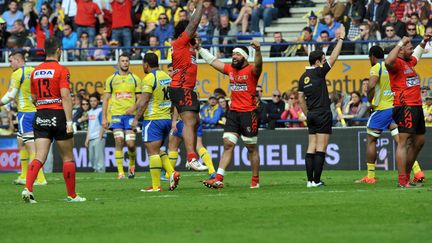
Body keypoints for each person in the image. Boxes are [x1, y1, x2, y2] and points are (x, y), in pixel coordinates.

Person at [22, 37, 86, 203]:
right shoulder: (61, 70)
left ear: (44, 50)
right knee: (67, 157)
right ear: (58, 50)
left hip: (41, 115)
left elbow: (34, 97)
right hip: (58, 115)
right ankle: (72, 195)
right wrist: (70, 121)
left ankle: (28, 188)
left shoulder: (35, 71)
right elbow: (65, 96)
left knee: (39, 156)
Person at [356, 45, 425, 184]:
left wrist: (370, 101)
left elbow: (371, 85)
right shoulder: (398, 65)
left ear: (372, 56)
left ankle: (370, 176)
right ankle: (417, 171)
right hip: (397, 107)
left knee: (371, 139)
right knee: (402, 142)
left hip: (382, 109)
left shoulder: (378, 67)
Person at [198, 41, 263, 189]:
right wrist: (200, 49)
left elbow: (259, 64)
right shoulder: (231, 69)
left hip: (249, 113)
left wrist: (258, 50)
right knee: (228, 144)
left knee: (251, 148)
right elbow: (213, 61)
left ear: (245, 57)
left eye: (237, 54)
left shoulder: (252, 70)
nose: (234, 56)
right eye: (233, 54)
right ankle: (218, 178)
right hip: (233, 112)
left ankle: (255, 180)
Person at [297, 26, 345, 188]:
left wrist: (307, 113)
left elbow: (300, 98)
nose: (325, 61)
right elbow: (334, 57)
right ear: (317, 62)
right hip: (323, 113)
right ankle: (316, 181)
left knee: (311, 146)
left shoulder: (303, 77)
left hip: (311, 114)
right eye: (323, 60)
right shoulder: (318, 72)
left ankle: (310, 181)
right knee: (321, 147)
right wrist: (341, 40)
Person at [384, 35, 430, 187]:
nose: (412, 48)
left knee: (419, 141)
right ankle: (403, 181)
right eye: (409, 46)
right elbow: (387, 61)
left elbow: (417, 54)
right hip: (404, 106)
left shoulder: (409, 62)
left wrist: (424, 42)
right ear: (401, 49)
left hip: (416, 106)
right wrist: (400, 42)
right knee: (404, 142)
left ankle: (407, 177)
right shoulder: (396, 63)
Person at [131, 53, 180, 192]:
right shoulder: (166, 76)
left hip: (153, 120)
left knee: (152, 153)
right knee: (157, 151)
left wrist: (135, 118)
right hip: (166, 119)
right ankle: (172, 173)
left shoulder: (149, 78)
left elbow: (145, 100)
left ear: (146, 64)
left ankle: (156, 186)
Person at [169, 0, 208, 171]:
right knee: (190, 122)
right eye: (193, 32)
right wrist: (200, 4)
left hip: (187, 89)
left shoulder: (189, 47)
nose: (196, 33)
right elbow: (193, 23)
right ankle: (191, 157)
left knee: (195, 121)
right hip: (181, 87)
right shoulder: (179, 44)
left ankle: (180, 136)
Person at [0, 51, 47, 186]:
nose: (10, 64)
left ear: (17, 60)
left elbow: (10, 96)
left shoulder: (17, 73)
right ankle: (24, 175)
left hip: (25, 114)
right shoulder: (34, 71)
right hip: (36, 112)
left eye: (11, 61)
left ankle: (40, 178)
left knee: (31, 148)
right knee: (21, 143)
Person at [166, 63, 215, 178]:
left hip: (183, 120)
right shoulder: (189, 83)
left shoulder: (177, 86)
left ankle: (169, 174)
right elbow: (196, 100)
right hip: (195, 118)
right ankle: (212, 171)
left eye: (172, 70)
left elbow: (179, 105)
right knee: (196, 145)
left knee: (173, 146)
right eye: (168, 71)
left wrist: (174, 121)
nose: (170, 73)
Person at [102, 53, 141, 179]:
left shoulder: (135, 79)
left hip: (130, 116)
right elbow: (106, 99)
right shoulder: (111, 79)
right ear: (118, 63)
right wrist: (104, 117)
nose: (125, 63)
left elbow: (140, 99)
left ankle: (131, 164)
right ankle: (120, 172)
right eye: (122, 61)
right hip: (116, 115)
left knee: (130, 144)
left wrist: (134, 109)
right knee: (119, 141)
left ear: (129, 63)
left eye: (127, 61)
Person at [85, 92, 106, 172]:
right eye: (91, 101)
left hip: (98, 137)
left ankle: (101, 171)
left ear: (98, 101)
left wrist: (100, 137)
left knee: (99, 157)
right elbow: (90, 127)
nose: (92, 102)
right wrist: (87, 139)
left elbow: (102, 125)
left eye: (94, 101)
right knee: (92, 158)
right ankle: (96, 171)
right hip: (91, 138)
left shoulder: (101, 110)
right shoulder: (90, 112)